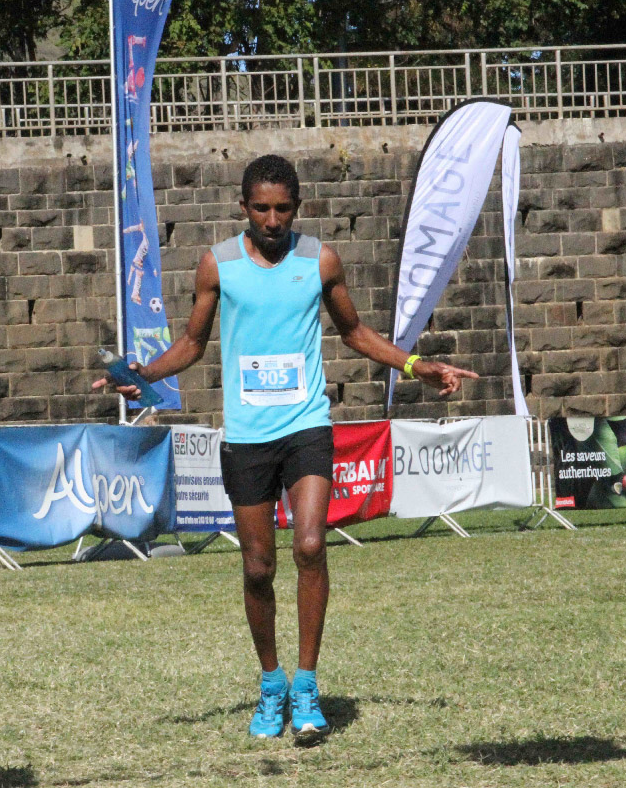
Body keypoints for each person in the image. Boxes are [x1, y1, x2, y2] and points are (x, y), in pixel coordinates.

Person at [95, 154, 477, 740]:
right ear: (244, 207)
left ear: (296, 208)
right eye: (261, 208)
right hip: (248, 436)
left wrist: (417, 364)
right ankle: (270, 684)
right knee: (256, 566)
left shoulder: (319, 260)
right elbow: (193, 343)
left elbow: (355, 333)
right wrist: (144, 372)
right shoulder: (217, 265)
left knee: (309, 543)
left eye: (282, 209)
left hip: (306, 426)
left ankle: (306, 685)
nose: (272, 219)